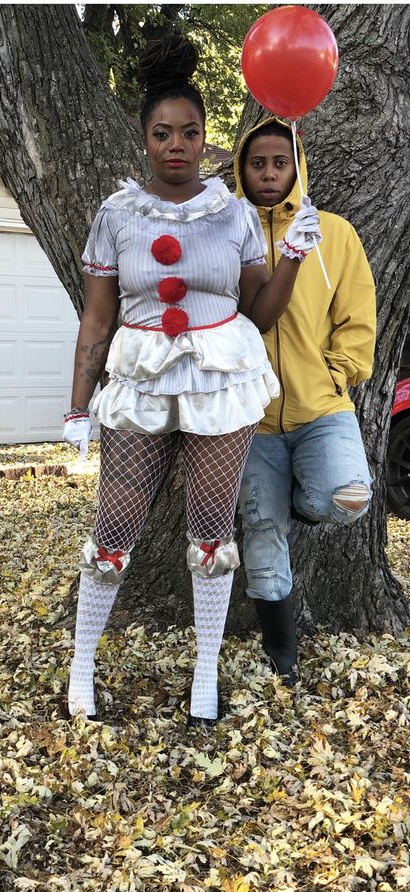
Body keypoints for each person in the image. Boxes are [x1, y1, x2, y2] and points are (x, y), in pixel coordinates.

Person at [63, 33, 323, 726]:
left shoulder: (233, 212)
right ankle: (82, 663)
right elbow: (96, 321)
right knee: (115, 528)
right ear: (143, 138)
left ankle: (204, 671)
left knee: (211, 531)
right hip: (142, 379)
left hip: (217, 382)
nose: (176, 144)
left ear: (206, 138)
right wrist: (76, 409)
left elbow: (260, 313)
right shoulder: (117, 216)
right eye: (161, 133)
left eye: (190, 132)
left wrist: (292, 258)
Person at [234, 118, 376, 683]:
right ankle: (282, 650)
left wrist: (337, 374)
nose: (269, 175)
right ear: (242, 171)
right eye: (257, 164)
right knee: (261, 533)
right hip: (252, 418)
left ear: (297, 168)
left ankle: (298, 493)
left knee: (348, 499)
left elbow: (357, 317)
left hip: (322, 408)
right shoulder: (230, 231)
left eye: (279, 163)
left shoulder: (333, 234)